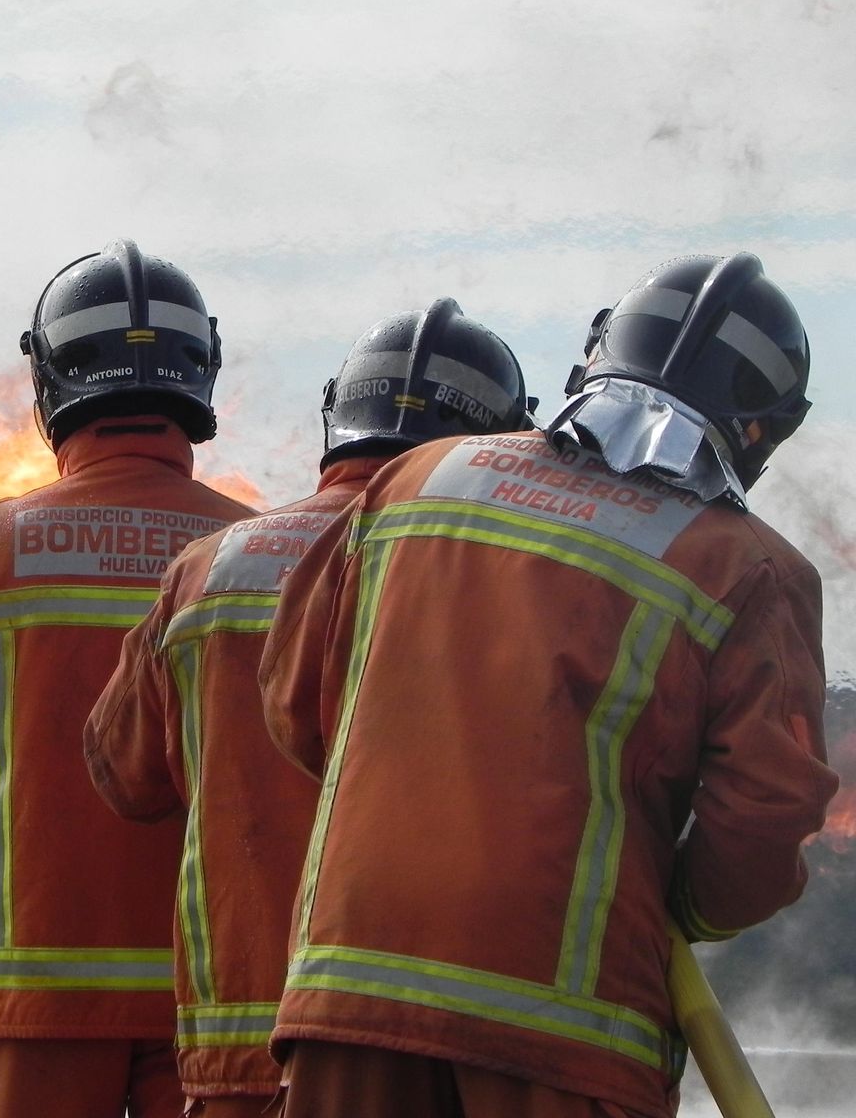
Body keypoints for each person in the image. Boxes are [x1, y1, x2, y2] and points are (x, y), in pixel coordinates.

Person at [259, 253, 841, 1118]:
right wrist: (673, 908)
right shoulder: (750, 568)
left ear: (596, 355)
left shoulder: (417, 479)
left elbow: (296, 702)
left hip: (349, 992)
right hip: (567, 1028)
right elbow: (762, 823)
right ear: (762, 428)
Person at [83, 300, 532, 1115]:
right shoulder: (497, 580)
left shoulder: (207, 569)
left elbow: (125, 776)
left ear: (339, 416)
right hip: (410, 1054)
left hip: (236, 1049)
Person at [0, 239, 256, 1117]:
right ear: (199, 375)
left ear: (51, 381)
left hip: (30, 981)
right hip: (215, 997)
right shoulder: (271, 555)